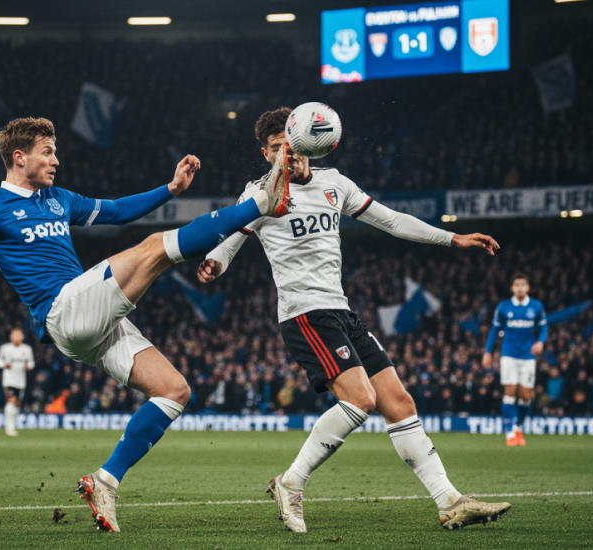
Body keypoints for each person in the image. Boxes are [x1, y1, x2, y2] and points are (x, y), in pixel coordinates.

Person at [0, 116, 292, 532]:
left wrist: (171, 188)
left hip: (91, 325)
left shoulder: (58, 200)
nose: (55, 160)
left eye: (55, 152)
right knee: (153, 250)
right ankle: (258, 204)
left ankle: (104, 482)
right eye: (46, 153)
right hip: (62, 310)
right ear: (19, 157)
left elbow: (119, 211)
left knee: (174, 391)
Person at [198, 107, 510, 531]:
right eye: (275, 149)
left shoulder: (334, 182)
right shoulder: (260, 194)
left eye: (290, 145)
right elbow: (230, 239)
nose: (285, 155)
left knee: (398, 403)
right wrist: (214, 263)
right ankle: (291, 482)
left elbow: (392, 221)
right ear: (265, 152)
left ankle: (449, 500)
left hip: (341, 310)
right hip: (304, 313)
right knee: (360, 400)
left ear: (307, 141)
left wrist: (452, 237)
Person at [483, 273, 547, 446]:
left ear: (528, 288)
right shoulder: (504, 307)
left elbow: (543, 328)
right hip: (508, 354)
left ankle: (518, 427)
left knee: (525, 396)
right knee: (510, 392)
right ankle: (510, 430)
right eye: (517, 285)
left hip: (528, 356)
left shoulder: (536, 306)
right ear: (512, 288)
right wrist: (487, 352)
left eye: (523, 285)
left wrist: (540, 342)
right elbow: (494, 330)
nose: (520, 288)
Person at [0, 328, 35, 436]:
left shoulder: (27, 349)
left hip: (21, 381)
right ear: (11, 337)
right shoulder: (5, 348)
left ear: (23, 337)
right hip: (8, 380)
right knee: (11, 401)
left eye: (19, 335)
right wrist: (4, 365)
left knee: (17, 404)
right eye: (14, 335)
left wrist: (28, 366)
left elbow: (31, 363)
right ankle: (10, 426)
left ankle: (11, 423)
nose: (16, 337)